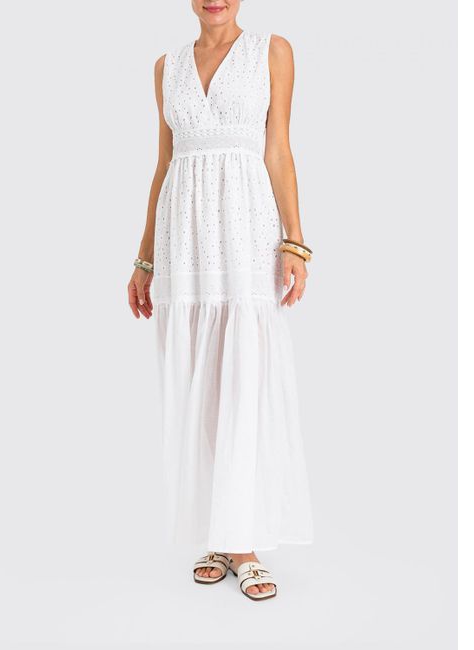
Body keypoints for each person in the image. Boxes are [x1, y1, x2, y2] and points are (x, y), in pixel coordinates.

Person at [128, 0, 313, 601]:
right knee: (198, 385)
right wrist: (144, 258)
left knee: (245, 382)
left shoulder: (272, 51)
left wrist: (295, 242)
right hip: (185, 239)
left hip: (245, 231)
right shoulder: (166, 66)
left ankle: (245, 541)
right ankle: (218, 531)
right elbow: (163, 165)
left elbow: (278, 150)